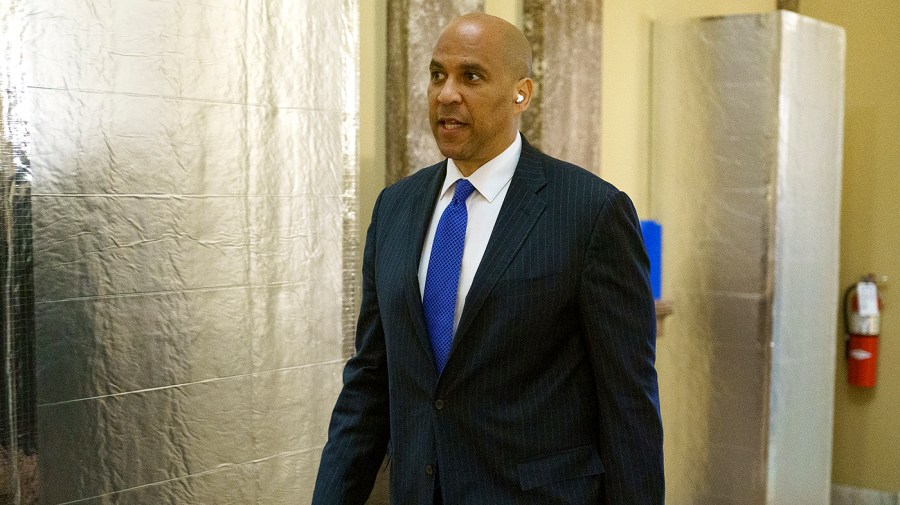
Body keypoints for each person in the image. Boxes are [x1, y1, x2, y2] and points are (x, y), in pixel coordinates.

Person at [313, 12, 663, 505]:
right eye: (438, 75)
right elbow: (371, 381)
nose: (446, 94)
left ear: (522, 93)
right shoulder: (395, 207)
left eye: (470, 76)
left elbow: (628, 403)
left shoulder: (590, 213)